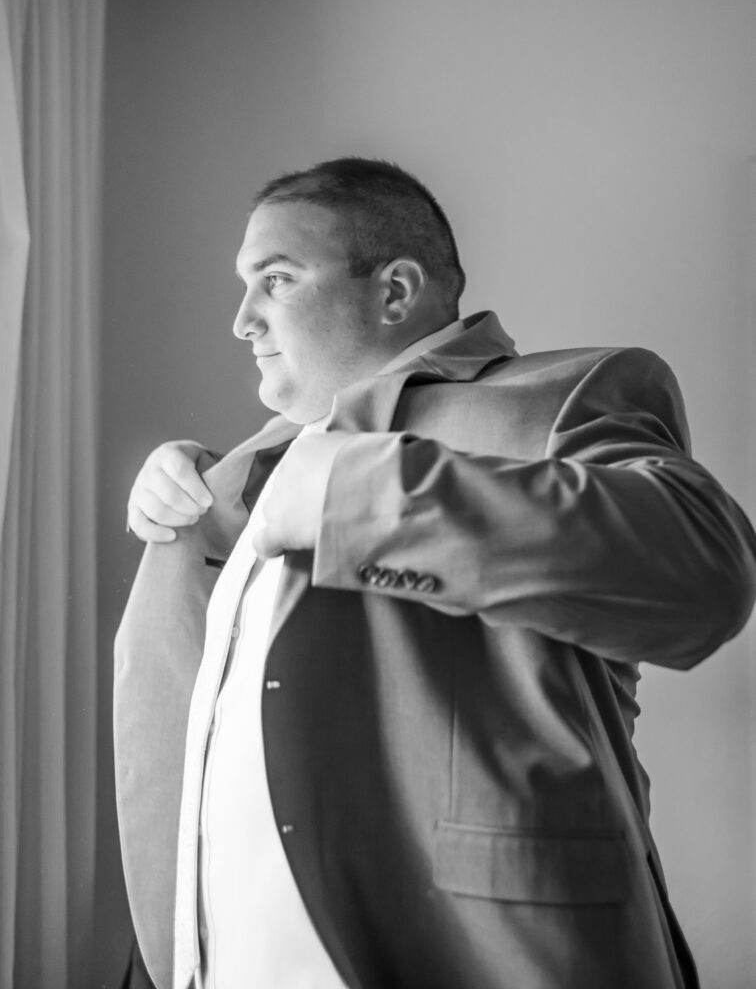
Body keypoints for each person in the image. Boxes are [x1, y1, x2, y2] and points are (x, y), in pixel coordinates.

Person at [114, 157, 756, 989]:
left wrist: (353, 489)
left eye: (276, 280)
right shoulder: (249, 474)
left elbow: (703, 571)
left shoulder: (561, 397)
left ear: (394, 292)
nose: (242, 320)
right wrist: (200, 534)